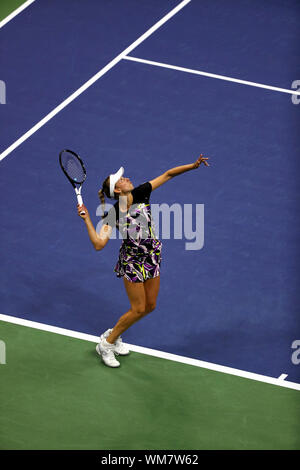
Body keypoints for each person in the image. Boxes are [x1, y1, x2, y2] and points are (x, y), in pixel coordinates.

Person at [77, 154, 209, 367]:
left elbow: (168, 175)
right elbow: (99, 244)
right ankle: (106, 345)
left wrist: (192, 166)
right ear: (118, 190)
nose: (126, 178)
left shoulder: (141, 192)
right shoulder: (113, 214)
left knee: (150, 306)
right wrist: (87, 220)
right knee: (137, 308)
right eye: (121, 179)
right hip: (132, 263)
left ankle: (115, 333)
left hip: (152, 256)